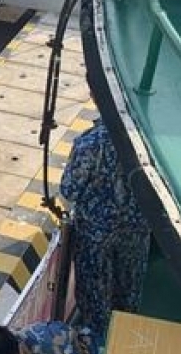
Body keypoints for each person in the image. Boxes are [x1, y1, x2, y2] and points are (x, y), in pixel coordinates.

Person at [60, 119, 151, 339]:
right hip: (136, 232)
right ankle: (124, 345)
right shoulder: (147, 137)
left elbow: (69, 190)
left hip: (95, 238)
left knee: (95, 303)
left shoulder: (90, 143)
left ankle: (99, 351)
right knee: (128, 295)